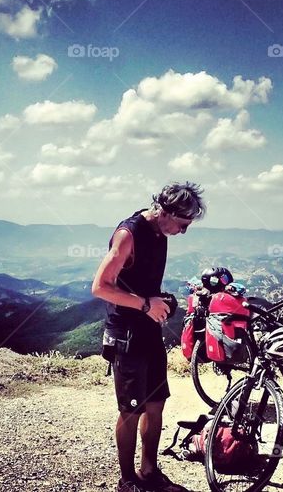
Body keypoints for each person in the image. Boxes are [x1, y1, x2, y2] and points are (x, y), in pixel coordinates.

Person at [91, 182, 206, 492]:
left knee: (155, 404)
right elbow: (100, 286)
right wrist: (145, 304)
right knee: (131, 409)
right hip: (125, 332)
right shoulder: (129, 234)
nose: (183, 232)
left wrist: (161, 300)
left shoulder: (159, 231)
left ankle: (149, 472)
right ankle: (127, 481)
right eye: (182, 224)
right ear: (166, 212)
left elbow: (141, 282)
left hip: (148, 330)